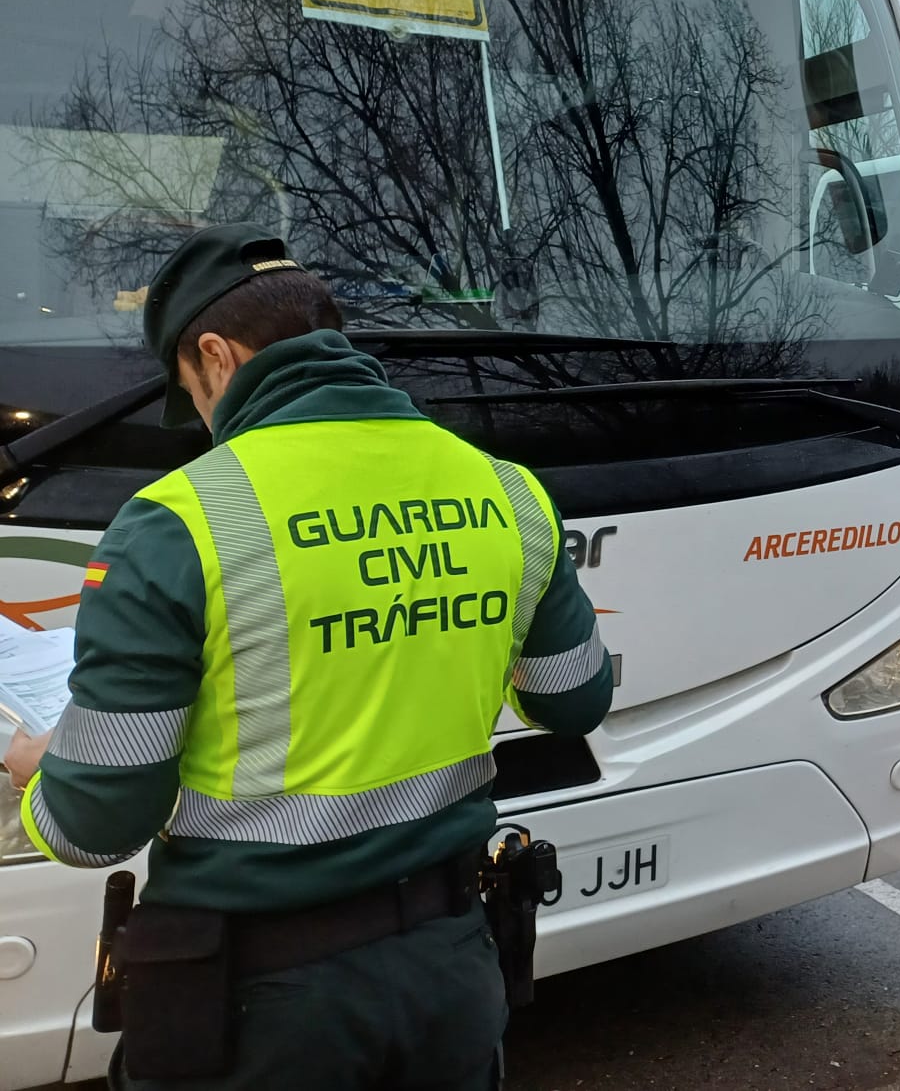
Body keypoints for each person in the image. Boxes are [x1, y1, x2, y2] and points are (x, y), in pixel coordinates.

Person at [2, 224, 613, 1090]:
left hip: (257, 1003)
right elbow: (573, 701)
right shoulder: (506, 490)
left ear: (216, 355)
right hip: (452, 973)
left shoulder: (176, 521)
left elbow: (94, 826)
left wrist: (39, 769)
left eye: (192, 393)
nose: (206, 422)